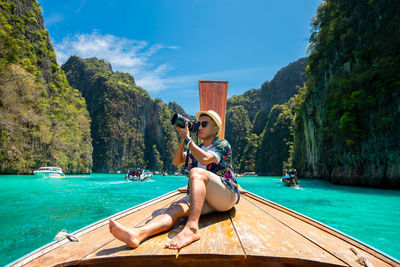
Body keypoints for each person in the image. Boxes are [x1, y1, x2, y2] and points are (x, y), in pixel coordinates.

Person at [108, 110, 240, 250]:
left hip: (226, 196)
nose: (199, 127)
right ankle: (137, 234)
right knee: (175, 208)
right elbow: (177, 161)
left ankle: (192, 229)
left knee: (196, 173)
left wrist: (189, 140)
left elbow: (205, 158)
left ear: (216, 128)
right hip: (205, 200)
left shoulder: (222, 145)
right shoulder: (196, 147)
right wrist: (184, 139)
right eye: (198, 124)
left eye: (204, 124)